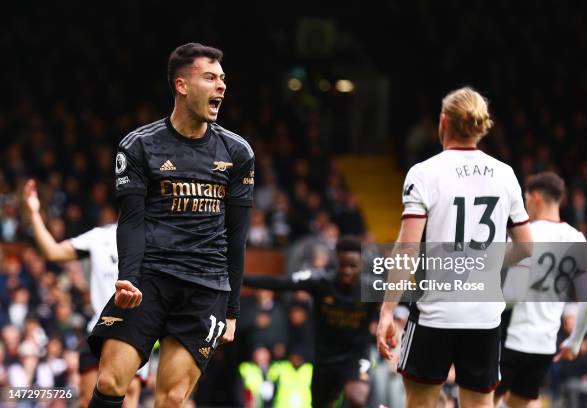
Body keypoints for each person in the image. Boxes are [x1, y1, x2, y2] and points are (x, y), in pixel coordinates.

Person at [87, 42, 254, 407]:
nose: (221, 86)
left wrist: (232, 311)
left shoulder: (238, 153)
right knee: (112, 379)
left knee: (173, 398)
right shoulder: (138, 146)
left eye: (223, 78)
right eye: (210, 78)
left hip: (206, 287)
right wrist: (128, 278)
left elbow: (237, 235)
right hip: (150, 278)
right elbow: (130, 222)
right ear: (182, 85)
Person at [376, 87, 533, 408]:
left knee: (420, 401)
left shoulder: (424, 173)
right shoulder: (506, 175)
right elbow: (527, 247)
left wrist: (387, 309)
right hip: (484, 316)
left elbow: (407, 250)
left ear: (443, 122)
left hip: (436, 313)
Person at [22, 179, 149, 408]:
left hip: (137, 334)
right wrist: (34, 213)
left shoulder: (155, 241)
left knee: (128, 400)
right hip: (98, 334)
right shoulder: (99, 237)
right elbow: (52, 252)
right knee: (87, 401)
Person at [495, 172, 587, 408]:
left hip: (511, 340)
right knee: (516, 403)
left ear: (536, 198)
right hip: (544, 346)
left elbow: (512, 294)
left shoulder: (525, 235)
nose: (524, 204)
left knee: (480, 400)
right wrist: (574, 341)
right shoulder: (577, 239)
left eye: (526, 198)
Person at [243, 236, 378, 408]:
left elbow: (399, 296)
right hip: (325, 358)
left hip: (356, 355)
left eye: (353, 266)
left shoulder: (371, 287)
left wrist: (384, 321)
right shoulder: (321, 282)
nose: (347, 271)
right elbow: (280, 283)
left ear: (361, 266)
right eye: (342, 265)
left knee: (357, 398)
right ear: (335, 262)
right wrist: (242, 278)